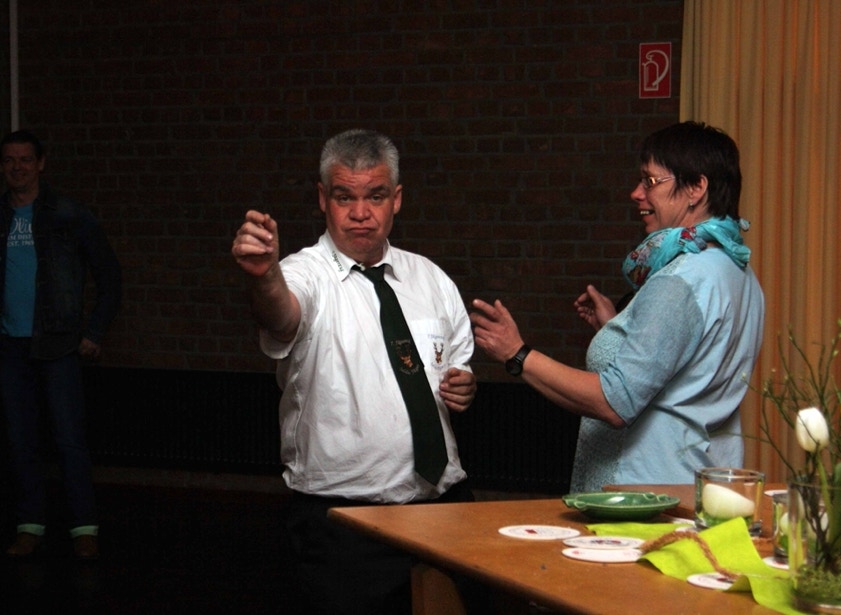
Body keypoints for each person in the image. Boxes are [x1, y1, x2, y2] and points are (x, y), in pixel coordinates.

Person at [231, 129, 479, 614]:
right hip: (344, 523)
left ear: (396, 199)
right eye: (345, 197)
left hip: (444, 508)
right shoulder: (305, 273)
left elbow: (454, 369)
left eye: (375, 196)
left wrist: (463, 386)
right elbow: (281, 315)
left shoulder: (431, 279)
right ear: (323, 199)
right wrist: (265, 278)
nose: (360, 213)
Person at [470, 121, 765, 493]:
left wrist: (517, 353)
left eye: (650, 181)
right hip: (701, 483)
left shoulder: (681, 279)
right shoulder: (738, 272)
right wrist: (617, 330)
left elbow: (615, 401)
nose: (636, 193)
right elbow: (689, 369)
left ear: (695, 188)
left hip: (647, 494)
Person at [0, 129, 122, 559]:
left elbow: (110, 277)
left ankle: (83, 528)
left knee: (69, 439)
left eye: (25, 159)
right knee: (20, 440)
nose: (17, 167)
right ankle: (29, 525)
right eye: (9, 160)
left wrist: (93, 333)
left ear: (40, 164)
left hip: (57, 346)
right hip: (9, 347)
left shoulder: (68, 214)